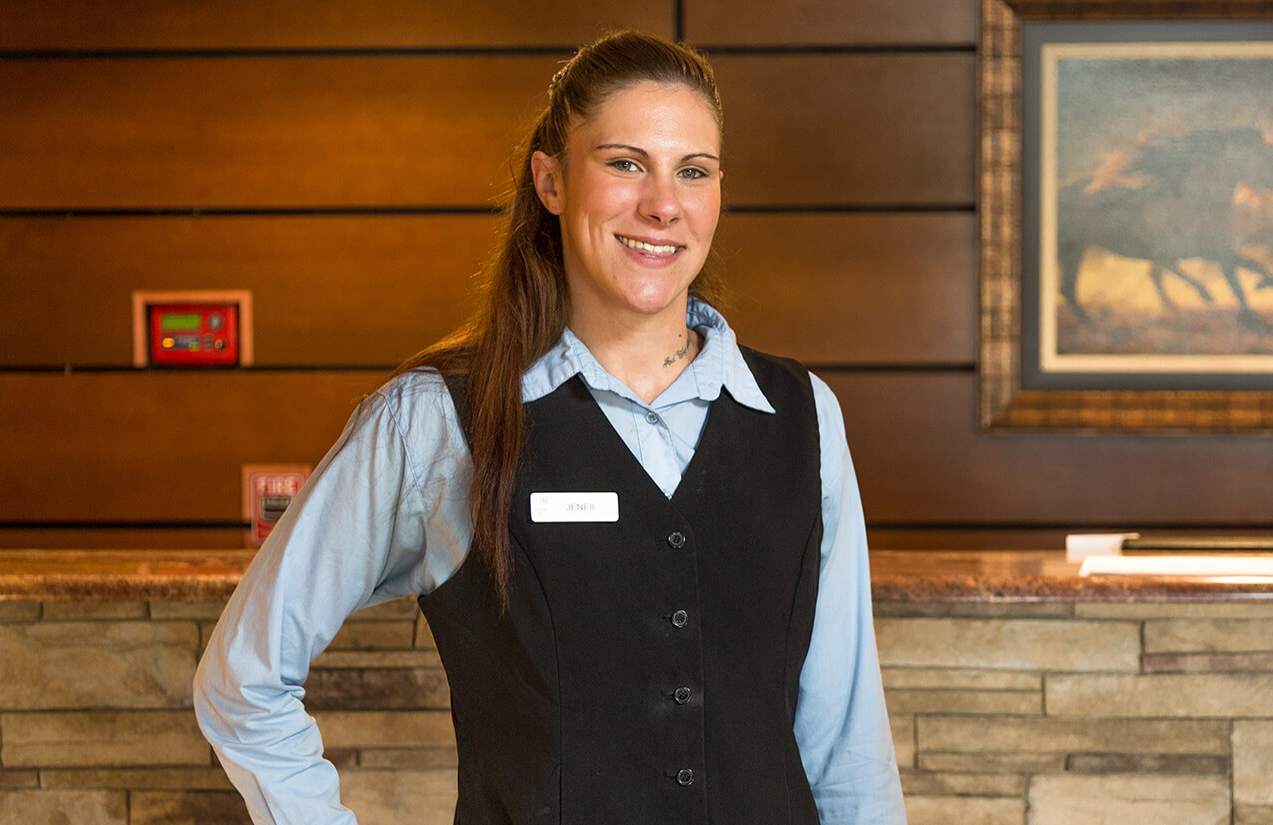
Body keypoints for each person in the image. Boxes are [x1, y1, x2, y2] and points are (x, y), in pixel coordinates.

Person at [193, 31, 907, 824]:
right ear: (552, 181)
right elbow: (243, 681)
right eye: (626, 162)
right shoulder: (436, 421)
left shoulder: (803, 416)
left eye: (692, 172)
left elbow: (845, 743)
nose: (663, 203)